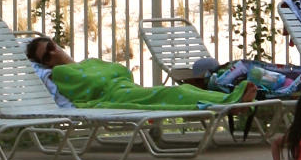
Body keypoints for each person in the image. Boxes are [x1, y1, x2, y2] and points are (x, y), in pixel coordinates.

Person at [24, 36, 254, 112]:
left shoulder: (88, 62)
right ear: (45, 65)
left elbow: (120, 71)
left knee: (179, 90)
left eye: (51, 46)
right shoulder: (60, 73)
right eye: (46, 56)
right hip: (114, 97)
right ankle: (231, 101)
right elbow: (92, 86)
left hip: (127, 89)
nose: (53, 52)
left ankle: (231, 99)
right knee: (172, 93)